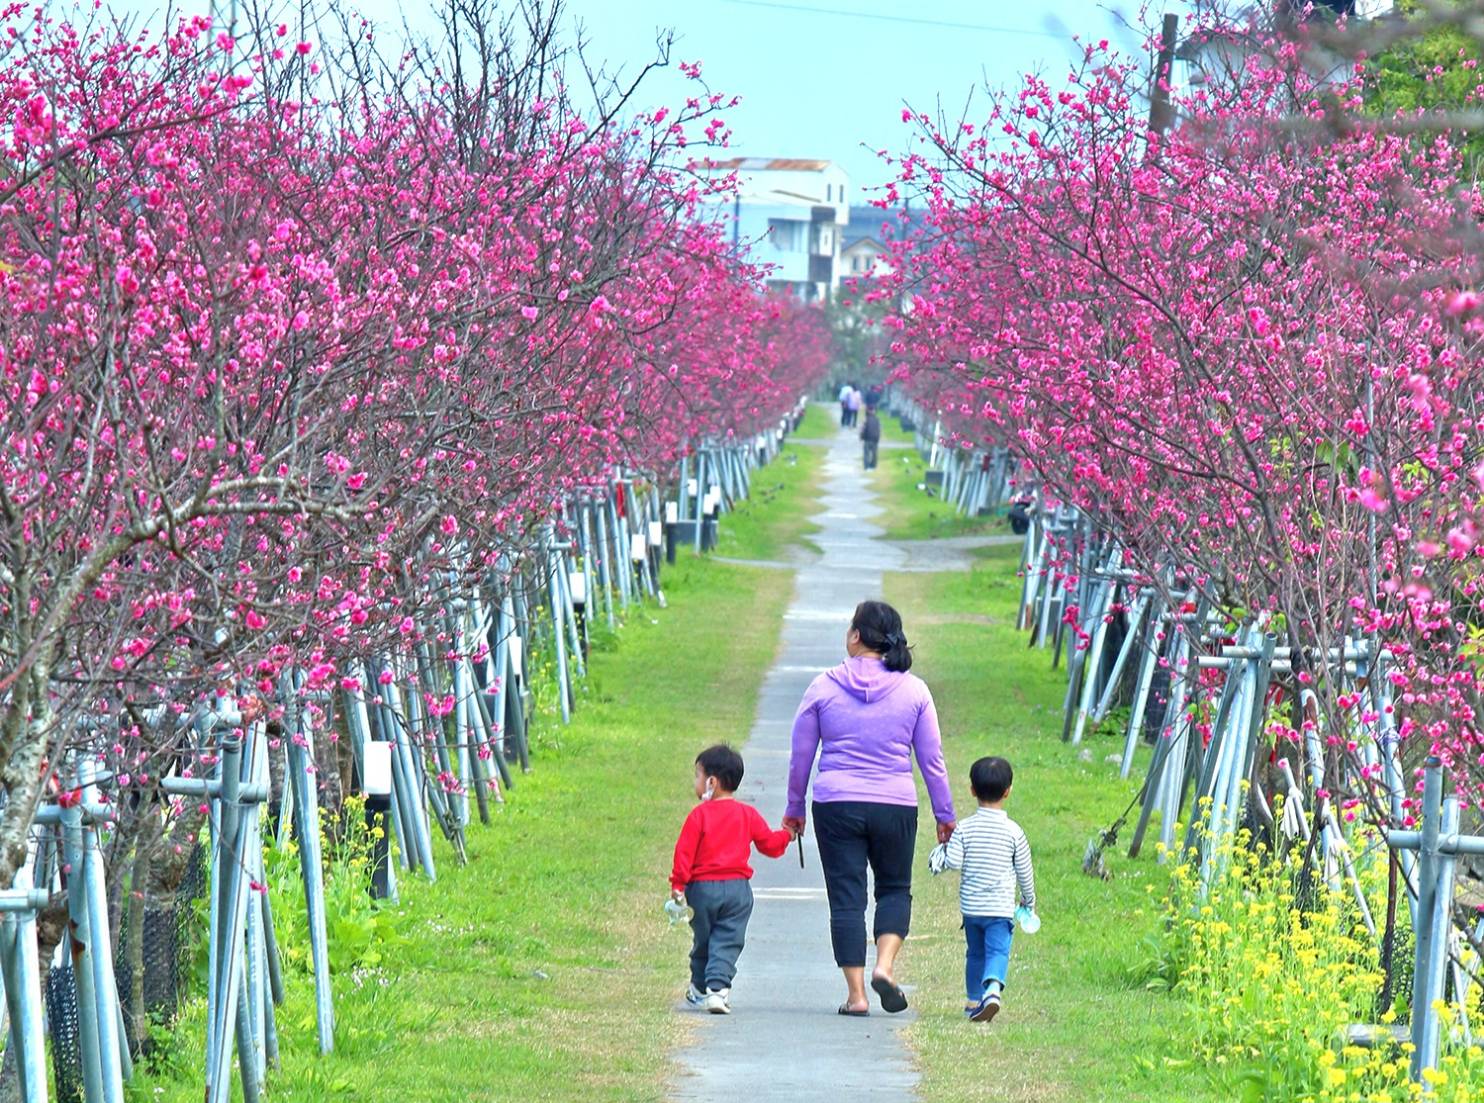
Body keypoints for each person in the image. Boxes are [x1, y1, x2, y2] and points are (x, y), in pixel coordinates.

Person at [783, 601, 955, 1016]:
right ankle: (885, 966)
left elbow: (801, 755)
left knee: (847, 900)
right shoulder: (915, 691)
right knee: (894, 889)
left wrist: (795, 807)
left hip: (836, 803)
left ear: (856, 636)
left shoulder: (823, 687)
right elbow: (931, 760)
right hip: (895, 803)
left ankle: (857, 996)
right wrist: (944, 813)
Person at [671, 744, 796, 1015]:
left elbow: (684, 853)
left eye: (698, 776)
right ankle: (717, 990)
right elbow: (770, 845)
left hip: (702, 890)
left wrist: (678, 885)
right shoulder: (747, 814)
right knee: (727, 938)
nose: (696, 782)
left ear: (712, 782)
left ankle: (701, 987)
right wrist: (787, 834)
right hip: (738, 891)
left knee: (704, 938)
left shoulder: (698, 816)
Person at [929, 756, 1036, 1024]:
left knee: (975, 953)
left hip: (972, 909)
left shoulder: (964, 828)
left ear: (972, 790)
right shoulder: (1014, 832)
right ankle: (992, 991)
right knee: (998, 952)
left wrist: (941, 852)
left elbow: (953, 861)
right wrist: (1029, 900)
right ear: (1008, 791)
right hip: (999, 909)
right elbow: (1024, 870)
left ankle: (972, 1000)